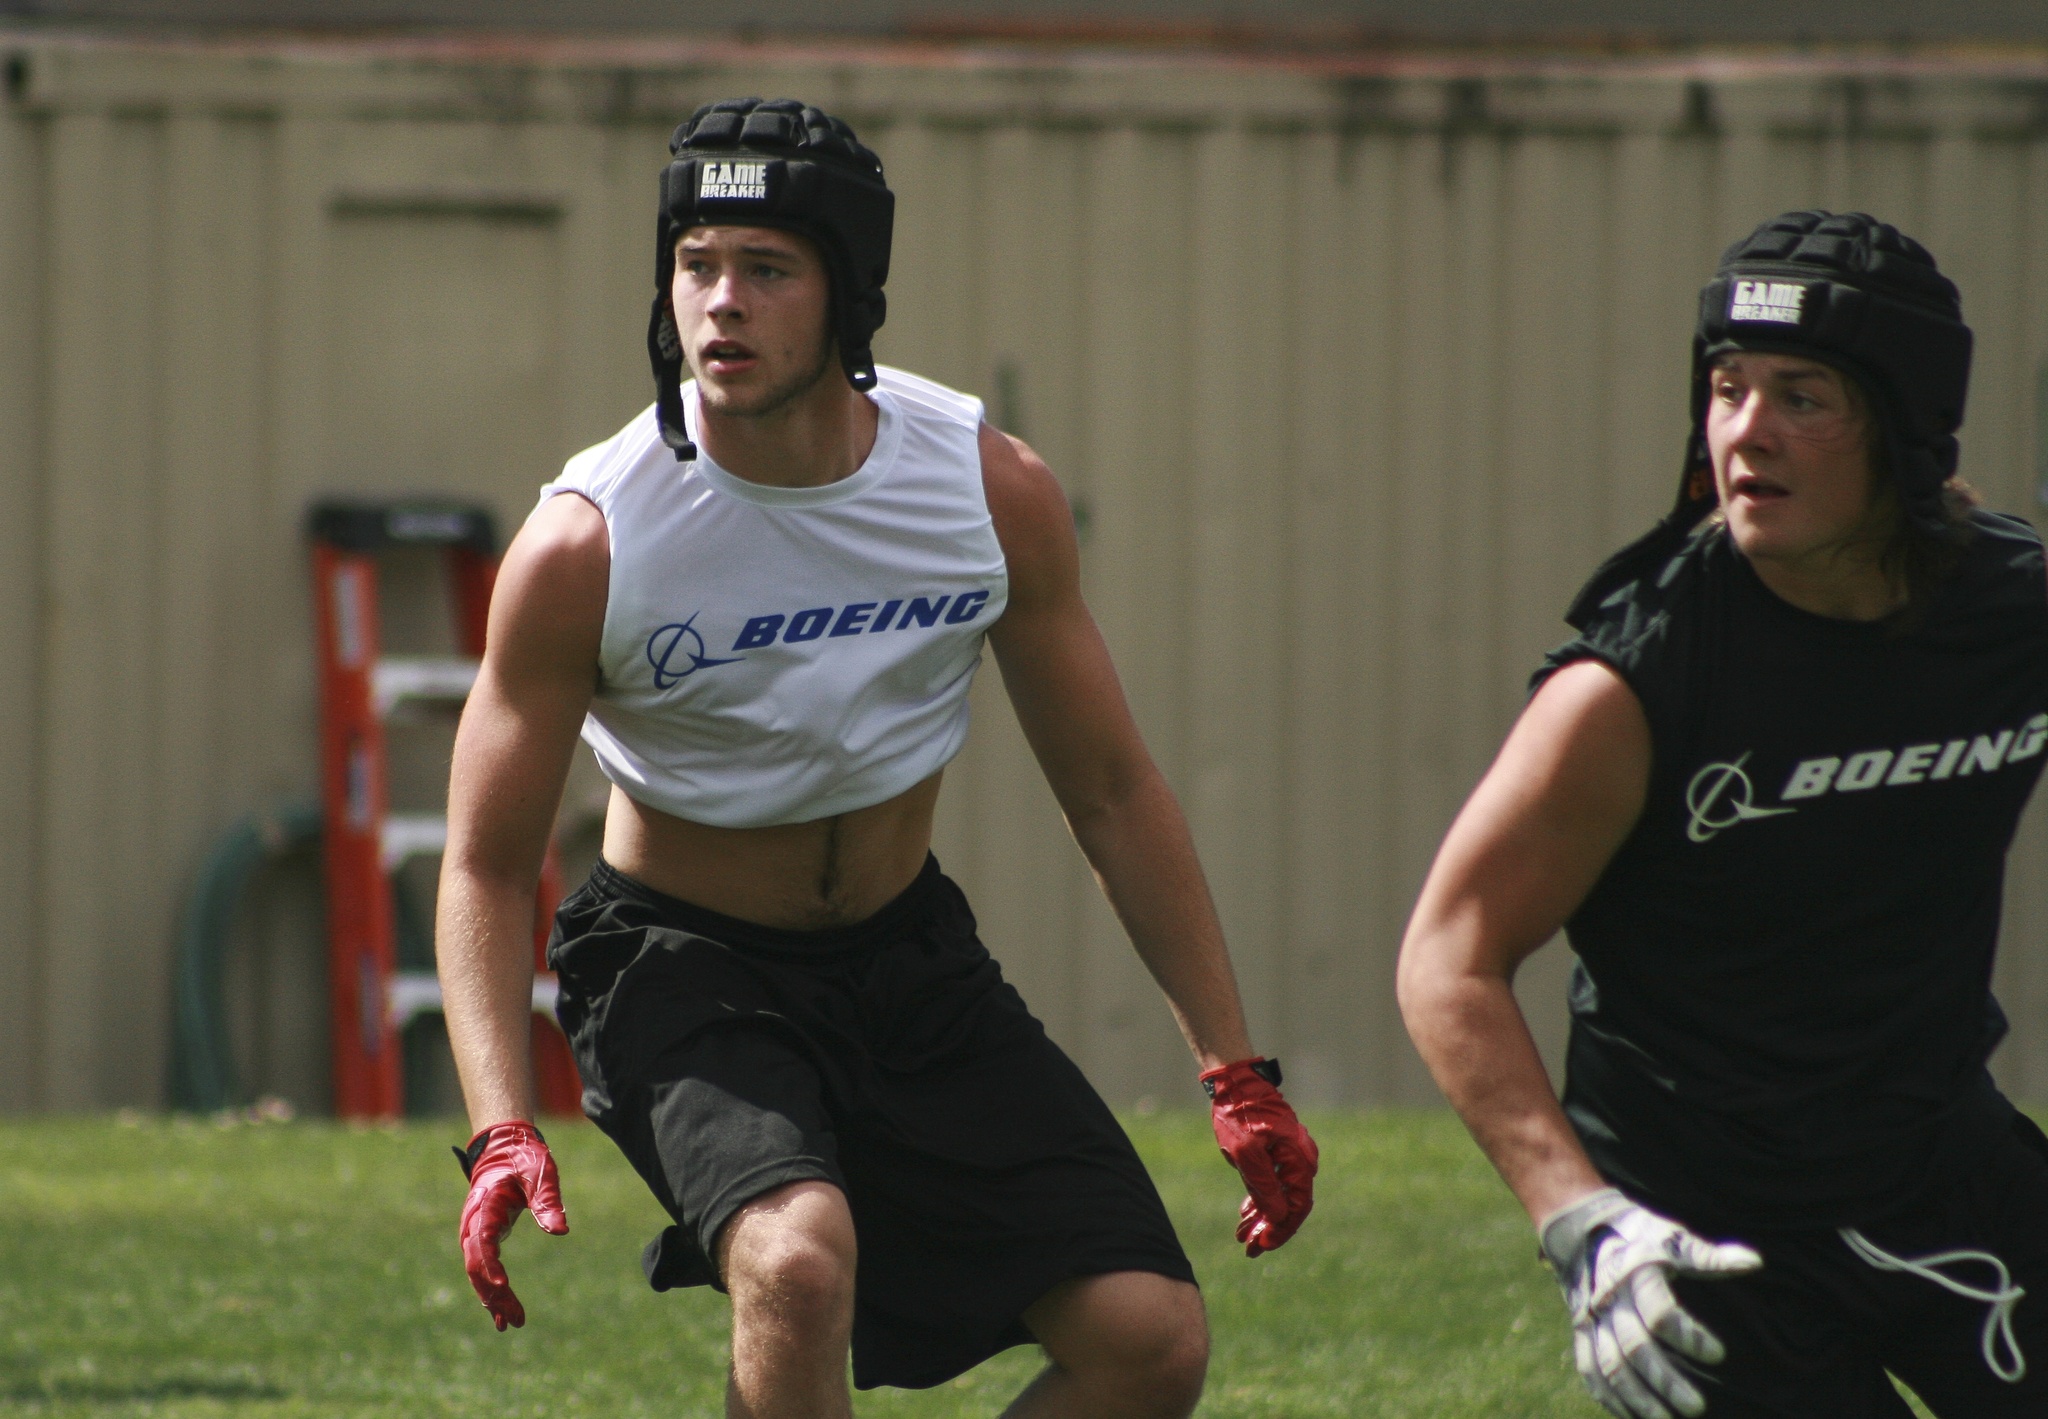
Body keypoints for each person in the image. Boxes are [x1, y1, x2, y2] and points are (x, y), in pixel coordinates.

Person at [435, 97, 1317, 1418]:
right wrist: (502, 1122)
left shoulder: (982, 491)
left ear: (850, 291)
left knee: (1150, 1338)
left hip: (909, 958)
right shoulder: (588, 543)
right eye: (696, 262)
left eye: (766, 268)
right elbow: (488, 864)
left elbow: (1114, 793)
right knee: (795, 1261)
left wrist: (1233, 1067)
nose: (718, 303)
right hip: (679, 962)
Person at [1397, 209, 2048, 1418]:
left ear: (1906, 428)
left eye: (1803, 396)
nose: (1746, 433)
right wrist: (1579, 1222)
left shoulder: (2013, 617)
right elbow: (1449, 958)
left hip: (1942, 1174)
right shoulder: (1630, 684)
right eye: (1726, 387)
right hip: (1704, 1233)